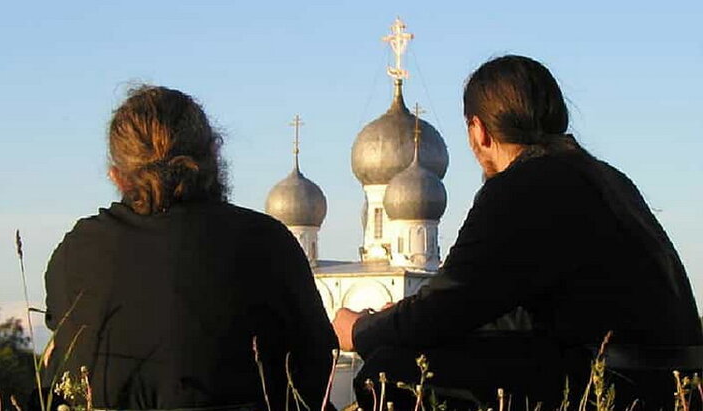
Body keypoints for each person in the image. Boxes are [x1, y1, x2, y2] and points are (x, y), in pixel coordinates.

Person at [332, 55, 703, 409]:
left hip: (614, 382)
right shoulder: (606, 178)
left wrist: (361, 329)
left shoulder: (522, 185)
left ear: (479, 131)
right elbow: (513, 303)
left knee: (389, 369)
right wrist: (406, 312)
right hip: (669, 379)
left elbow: (447, 308)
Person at [42, 86, 338, 410]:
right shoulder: (268, 244)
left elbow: (63, 366)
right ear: (214, 153)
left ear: (117, 175)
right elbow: (317, 373)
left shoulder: (76, 251)